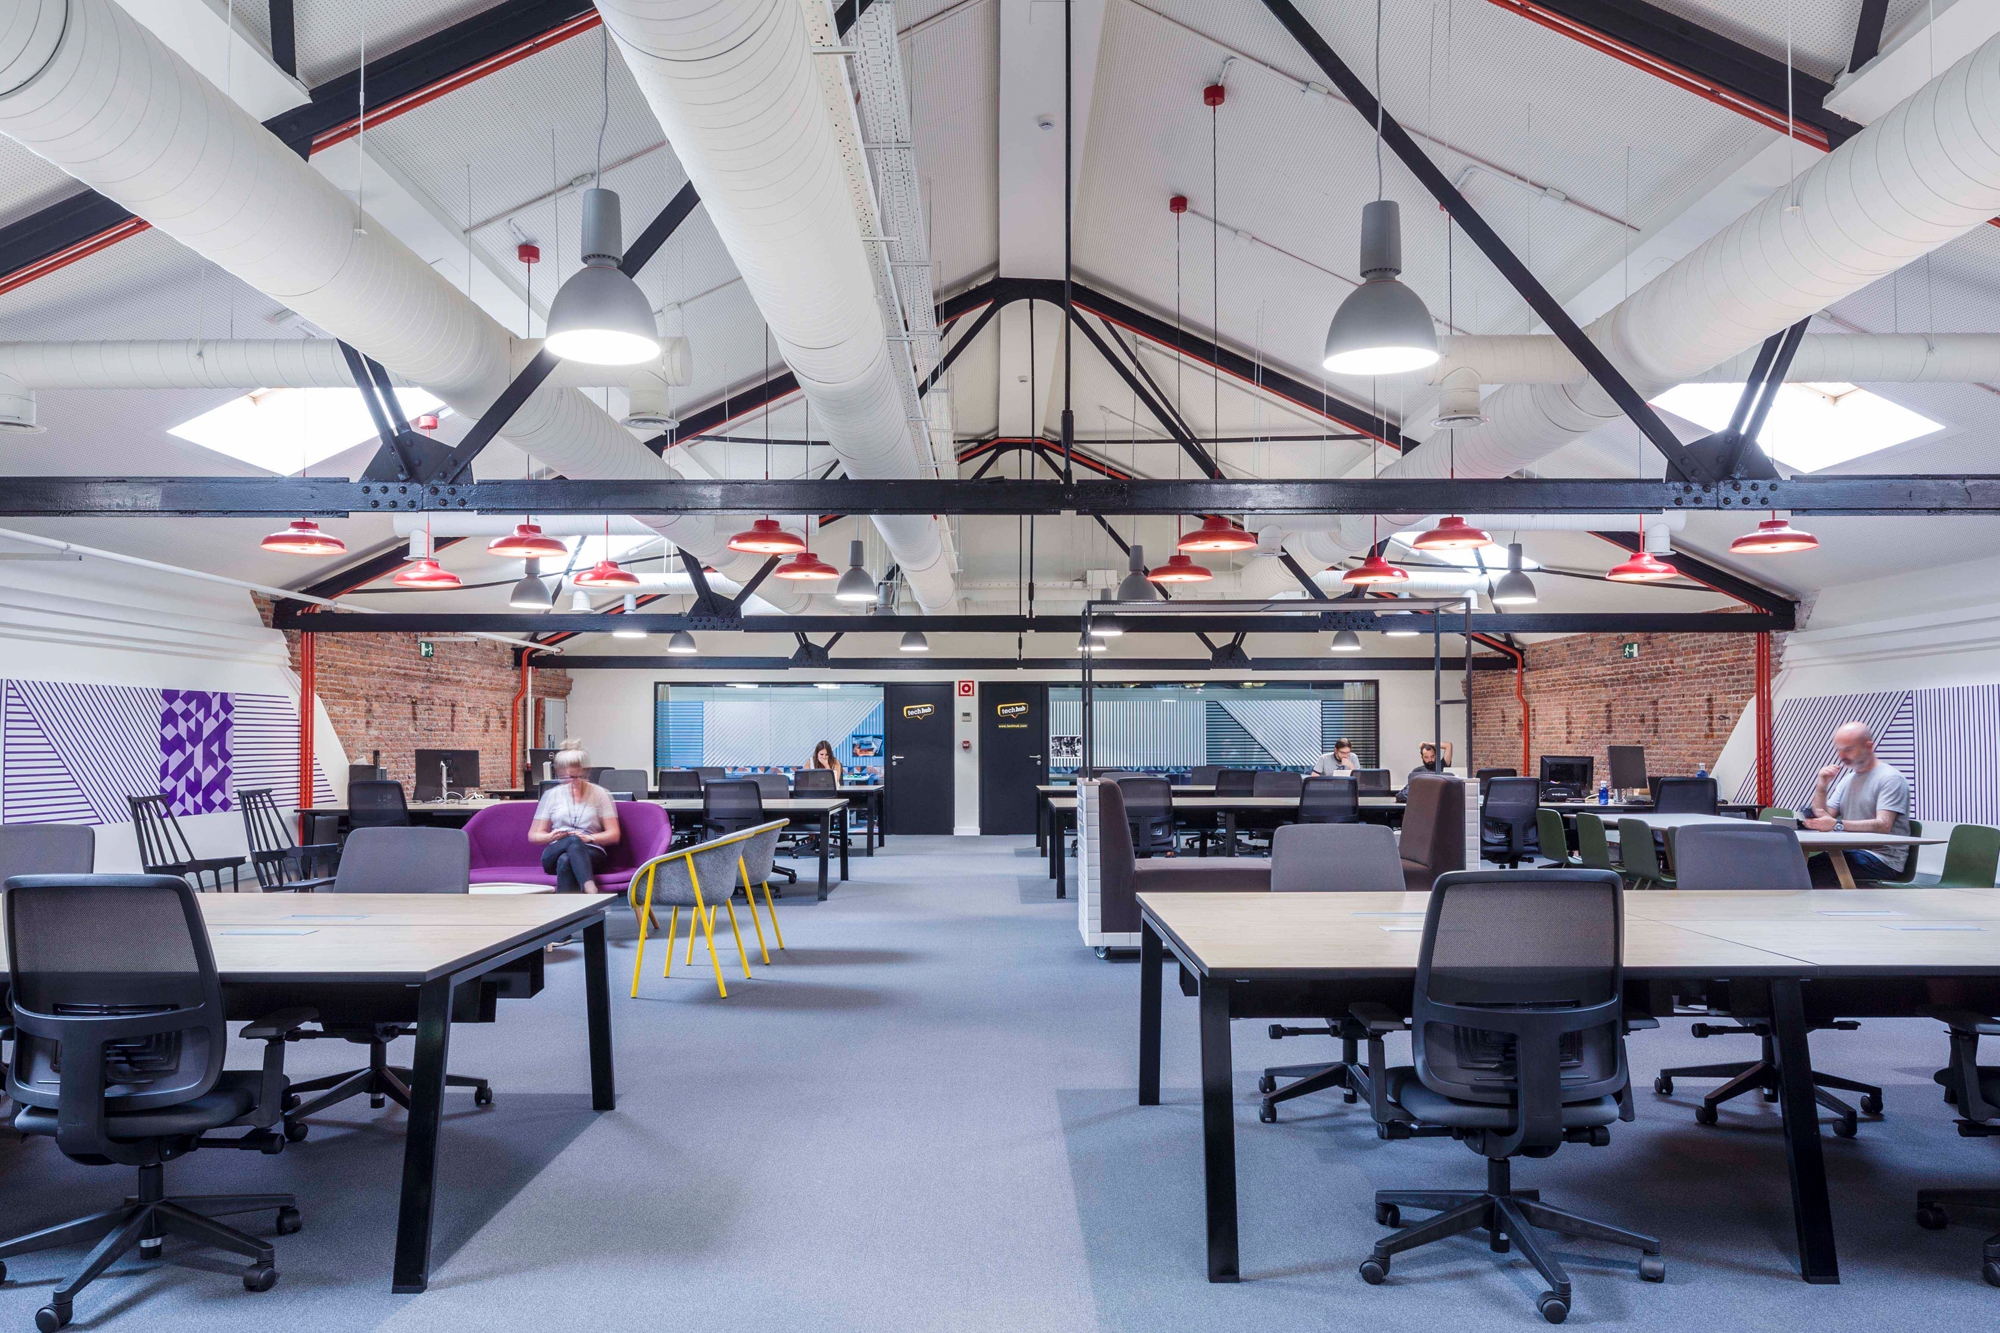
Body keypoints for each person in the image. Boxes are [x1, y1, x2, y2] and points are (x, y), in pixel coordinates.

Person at [1802, 722, 1911, 884]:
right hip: (1850, 852)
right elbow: (1823, 816)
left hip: (1882, 859)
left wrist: (1837, 824)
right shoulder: (1848, 779)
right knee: (1798, 866)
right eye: (1839, 750)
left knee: (1809, 871)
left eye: (1849, 749)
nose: (1842, 756)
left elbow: (1883, 825)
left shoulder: (1890, 778)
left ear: (1869, 746)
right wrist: (1822, 786)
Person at [528, 743, 622, 893]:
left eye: (577, 777)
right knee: (572, 840)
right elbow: (534, 835)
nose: (573, 781)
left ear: (585, 771)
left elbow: (614, 835)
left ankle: (567, 907)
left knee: (565, 860)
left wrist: (589, 838)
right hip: (555, 850)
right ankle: (590, 889)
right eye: (567, 777)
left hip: (591, 851)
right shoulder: (551, 795)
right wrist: (551, 836)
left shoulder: (600, 794)